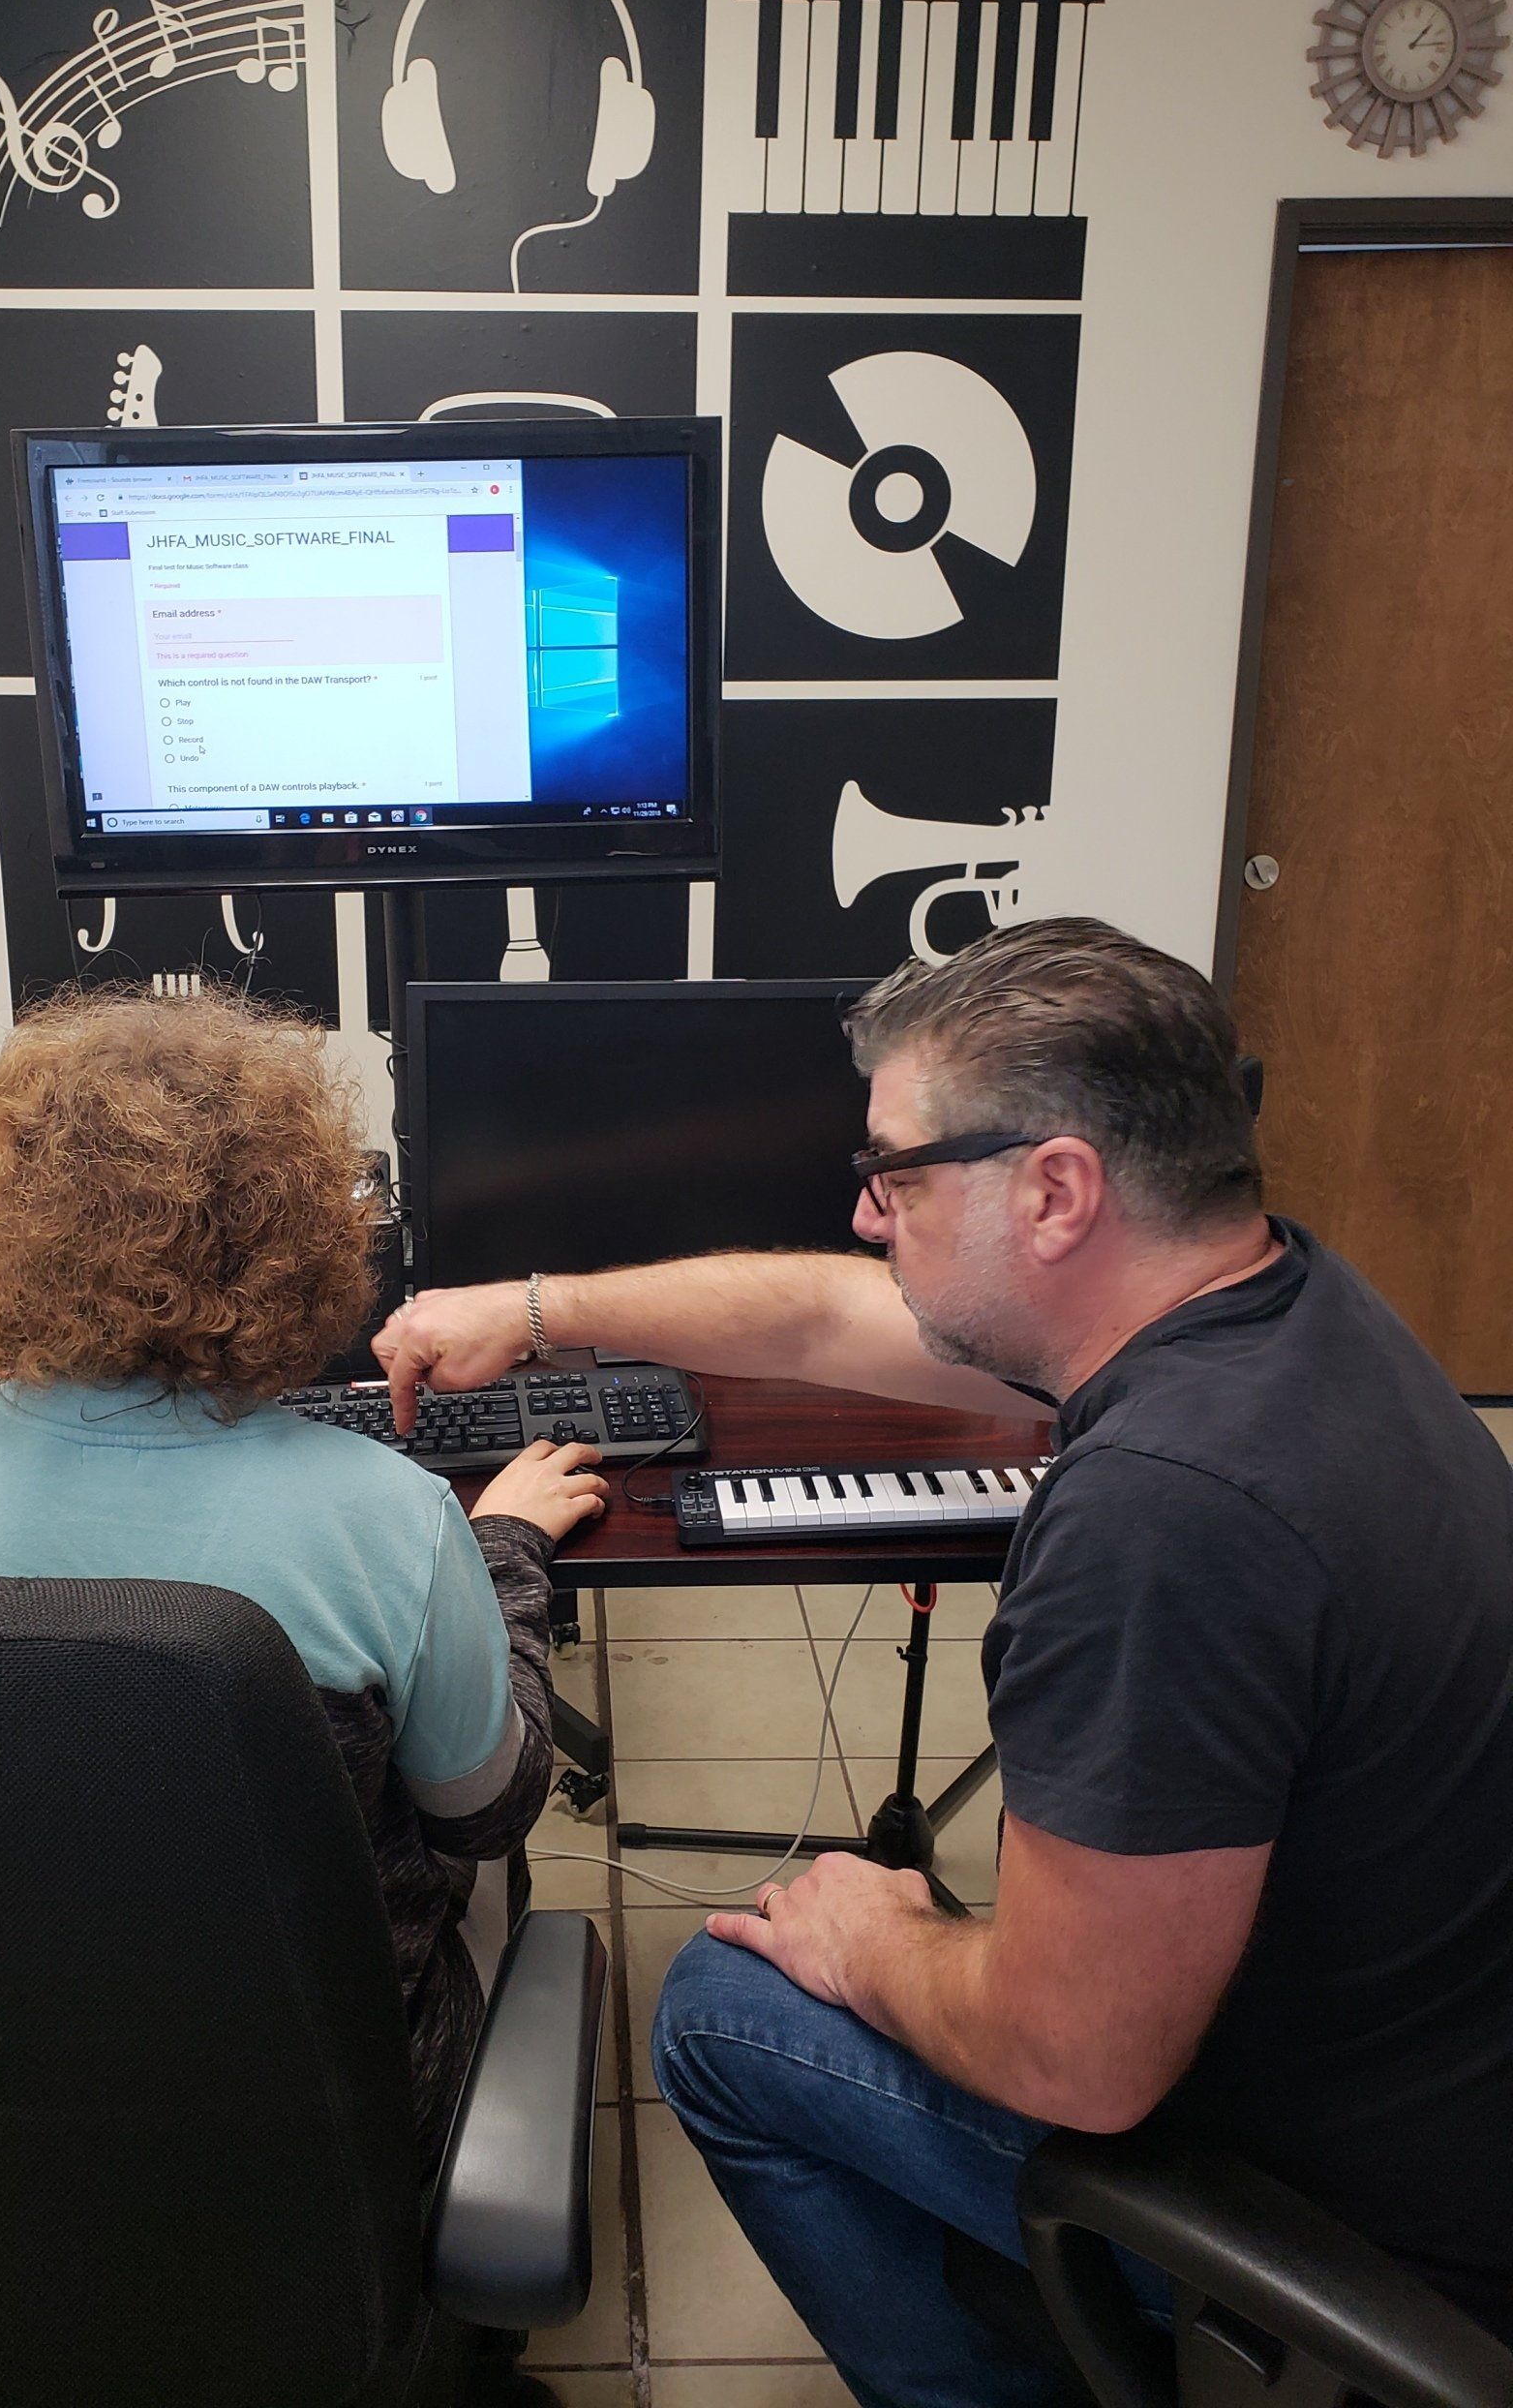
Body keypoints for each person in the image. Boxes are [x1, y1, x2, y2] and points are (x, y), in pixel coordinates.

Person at [374, 918, 1513, 2406]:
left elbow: (1079, 2067)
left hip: (1369, 2246)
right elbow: (813, 1313)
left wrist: (870, 1942)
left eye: (894, 1174)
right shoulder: (1275, 1304)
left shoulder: (1163, 1521)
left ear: (1055, 1191)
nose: (863, 1217)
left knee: (725, 2013)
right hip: (1438, 2081)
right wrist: (533, 1312)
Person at [0, 984, 608, 2171]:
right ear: (299, 1237)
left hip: (6, 2092)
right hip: (332, 2114)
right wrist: (502, 1546)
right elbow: (489, 1810)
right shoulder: (389, 1518)